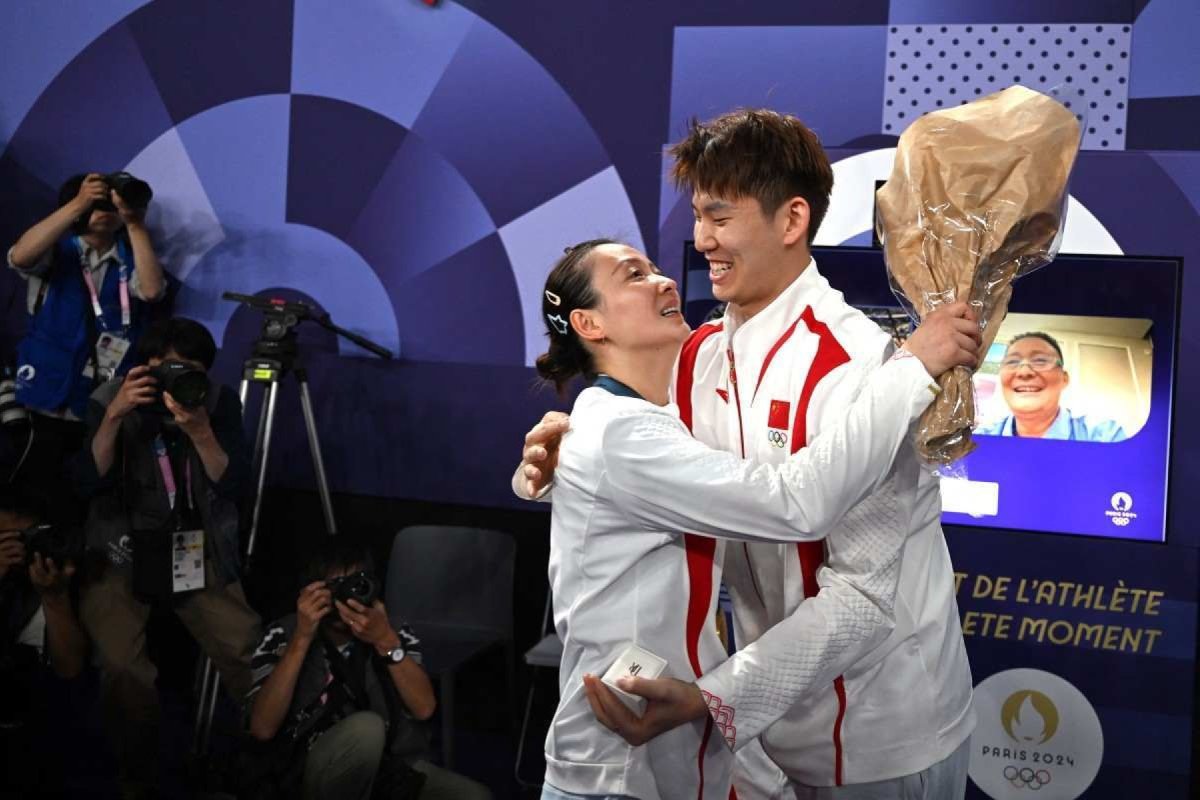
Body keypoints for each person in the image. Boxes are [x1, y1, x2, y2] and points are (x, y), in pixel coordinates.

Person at [518, 109, 978, 799]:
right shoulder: (696, 354)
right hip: (759, 729)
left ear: (791, 220)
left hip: (885, 736)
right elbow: (648, 467)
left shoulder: (868, 367)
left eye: (719, 216)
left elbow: (862, 598)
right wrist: (563, 464)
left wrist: (719, 697)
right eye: (697, 216)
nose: (701, 239)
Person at [74, 316, 260, 799]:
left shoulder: (216, 402)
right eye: (164, 371)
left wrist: (201, 431)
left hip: (193, 543)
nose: (175, 382)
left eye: (188, 372)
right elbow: (86, 481)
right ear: (143, 369)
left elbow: (233, 484)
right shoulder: (109, 398)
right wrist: (114, 417)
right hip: (119, 546)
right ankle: (136, 775)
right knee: (120, 666)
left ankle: (274, 759)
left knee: (247, 651)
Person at [246, 538, 493, 800]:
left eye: (355, 584)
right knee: (367, 728)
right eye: (335, 587)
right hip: (309, 767)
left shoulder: (391, 631)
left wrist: (384, 641)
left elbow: (424, 708)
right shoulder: (284, 633)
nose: (346, 597)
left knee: (475, 796)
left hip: (388, 769)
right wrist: (302, 638)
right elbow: (262, 728)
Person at [7, 173, 165, 514]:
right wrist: (78, 204)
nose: (105, 210)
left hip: (99, 402)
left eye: (110, 203)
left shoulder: (131, 256)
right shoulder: (57, 250)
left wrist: (134, 224)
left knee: (85, 500)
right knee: (29, 498)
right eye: (98, 203)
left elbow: (152, 290)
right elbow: (20, 257)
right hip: (43, 397)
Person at [0, 484, 90, 797]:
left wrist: (54, 597)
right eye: (7, 537)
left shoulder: (46, 572)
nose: (18, 547)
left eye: (27, 536)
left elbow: (70, 669)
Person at [975, 332, 1126, 441]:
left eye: (1040, 360)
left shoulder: (1105, 436)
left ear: (1064, 378)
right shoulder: (978, 440)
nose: (1024, 372)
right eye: (1012, 362)